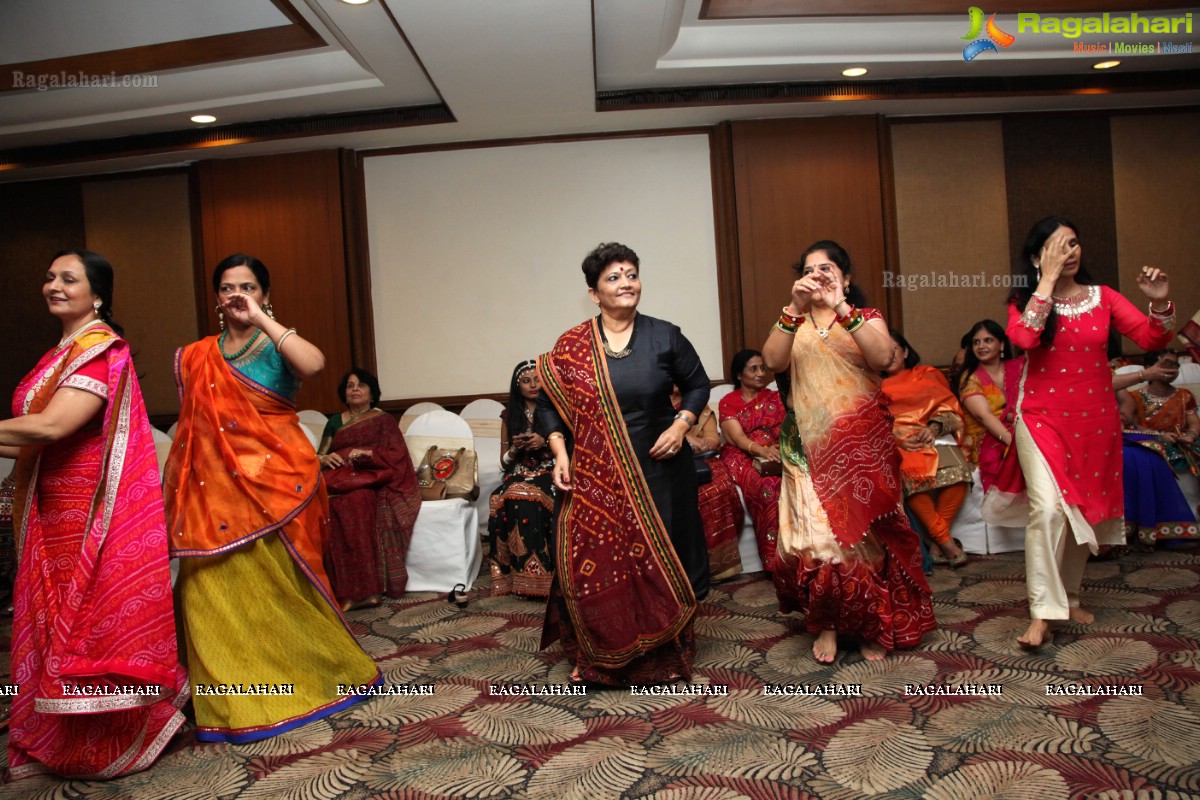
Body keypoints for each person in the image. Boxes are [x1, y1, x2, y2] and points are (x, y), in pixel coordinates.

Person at [165, 254, 379, 743]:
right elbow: (201, 427)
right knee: (210, 588)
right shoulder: (199, 354)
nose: (236, 295)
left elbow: (316, 364)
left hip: (278, 483)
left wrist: (262, 319)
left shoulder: (280, 339)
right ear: (215, 298)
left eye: (248, 287)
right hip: (215, 492)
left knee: (282, 586)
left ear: (265, 294)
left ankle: (306, 673)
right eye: (226, 288)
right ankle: (230, 697)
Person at [0, 250, 188, 779]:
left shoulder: (98, 349)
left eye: (68, 278)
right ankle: (57, 740)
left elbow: (52, 428)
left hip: (88, 509)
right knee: (52, 618)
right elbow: (30, 442)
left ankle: (119, 735)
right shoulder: (56, 355)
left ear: (98, 293)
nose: (52, 285)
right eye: (49, 277)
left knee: (85, 620)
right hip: (50, 506)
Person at [982, 217, 1175, 648]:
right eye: (1055, 248)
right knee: (1048, 510)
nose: (1068, 253)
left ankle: (1068, 596)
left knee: (1082, 512)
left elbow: (1150, 335)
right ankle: (1043, 610)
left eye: (1072, 243)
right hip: (1040, 418)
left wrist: (1159, 304)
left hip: (1095, 423)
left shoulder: (1103, 297)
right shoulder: (1024, 301)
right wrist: (1045, 283)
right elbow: (1025, 339)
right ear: (1036, 258)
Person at [538, 242, 710, 686]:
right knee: (594, 561)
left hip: (658, 469)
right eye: (613, 277)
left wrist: (681, 425)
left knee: (663, 557)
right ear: (594, 294)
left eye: (631, 274)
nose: (626, 283)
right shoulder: (572, 344)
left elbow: (696, 385)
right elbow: (549, 405)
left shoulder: (665, 335)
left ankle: (667, 653)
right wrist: (560, 452)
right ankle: (597, 652)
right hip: (595, 475)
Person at [762, 240, 935, 664]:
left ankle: (870, 623)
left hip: (863, 449)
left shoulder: (865, 317)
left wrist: (843, 307)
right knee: (819, 540)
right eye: (809, 268)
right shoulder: (792, 320)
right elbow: (773, 362)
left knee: (864, 541)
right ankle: (829, 625)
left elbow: (881, 358)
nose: (818, 274)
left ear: (847, 277)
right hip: (807, 445)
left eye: (827, 268)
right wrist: (791, 307)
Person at [318, 368, 421, 610]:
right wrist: (323, 459)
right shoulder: (334, 422)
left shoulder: (383, 420)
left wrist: (369, 454)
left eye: (361, 385)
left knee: (356, 502)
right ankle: (340, 589)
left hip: (370, 480)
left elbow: (398, 455)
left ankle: (367, 591)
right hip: (335, 480)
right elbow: (319, 454)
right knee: (325, 504)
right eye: (350, 385)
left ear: (372, 394)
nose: (354, 389)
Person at [883, 330, 972, 567]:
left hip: (933, 436)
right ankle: (947, 544)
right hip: (898, 442)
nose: (888, 355)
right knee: (912, 481)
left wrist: (932, 428)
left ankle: (935, 544)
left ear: (905, 351)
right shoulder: (873, 385)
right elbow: (870, 423)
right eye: (882, 350)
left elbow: (949, 409)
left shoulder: (927, 374)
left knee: (960, 474)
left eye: (893, 348)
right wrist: (896, 437)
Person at [487, 360, 557, 597]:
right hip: (519, 471)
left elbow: (569, 447)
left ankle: (543, 577)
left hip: (550, 469)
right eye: (526, 381)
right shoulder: (509, 415)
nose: (533, 384)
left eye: (537, 379)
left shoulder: (555, 408)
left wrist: (544, 441)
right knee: (499, 497)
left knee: (532, 496)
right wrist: (516, 449)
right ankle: (513, 577)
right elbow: (504, 461)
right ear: (518, 386)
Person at [1117, 350, 1199, 547]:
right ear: (1149, 368)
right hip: (1152, 441)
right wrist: (1159, 436)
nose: (1173, 370)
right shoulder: (1135, 397)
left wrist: (1190, 435)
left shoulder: (1184, 395)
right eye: (1167, 364)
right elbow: (1132, 426)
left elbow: (1194, 422)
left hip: (1184, 440)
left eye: (1176, 365)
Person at [718, 349, 785, 571]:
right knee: (767, 486)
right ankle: (773, 561)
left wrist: (777, 449)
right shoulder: (729, 401)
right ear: (739, 375)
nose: (760, 373)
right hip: (742, 453)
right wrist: (762, 451)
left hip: (775, 450)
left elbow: (787, 429)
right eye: (753, 369)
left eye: (763, 368)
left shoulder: (775, 397)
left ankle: (795, 558)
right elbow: (736, 438)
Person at [673, 384, 743, 581]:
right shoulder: (655, 407)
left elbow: (712, 440)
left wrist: (695, 444)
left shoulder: (698, 406)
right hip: (669, 462)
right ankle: (685, 570)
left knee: (717, 490)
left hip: (704, 459)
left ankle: (718, 567)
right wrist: (684, 437)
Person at [956, 320, 1023, 492]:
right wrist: (1012, 442)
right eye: (976, 342)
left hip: (1021, 432)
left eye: (988, 340)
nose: (981, 346)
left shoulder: (1019, 369)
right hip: (987, 441)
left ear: (1001, 345)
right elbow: (984, 416)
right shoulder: (970, 377)